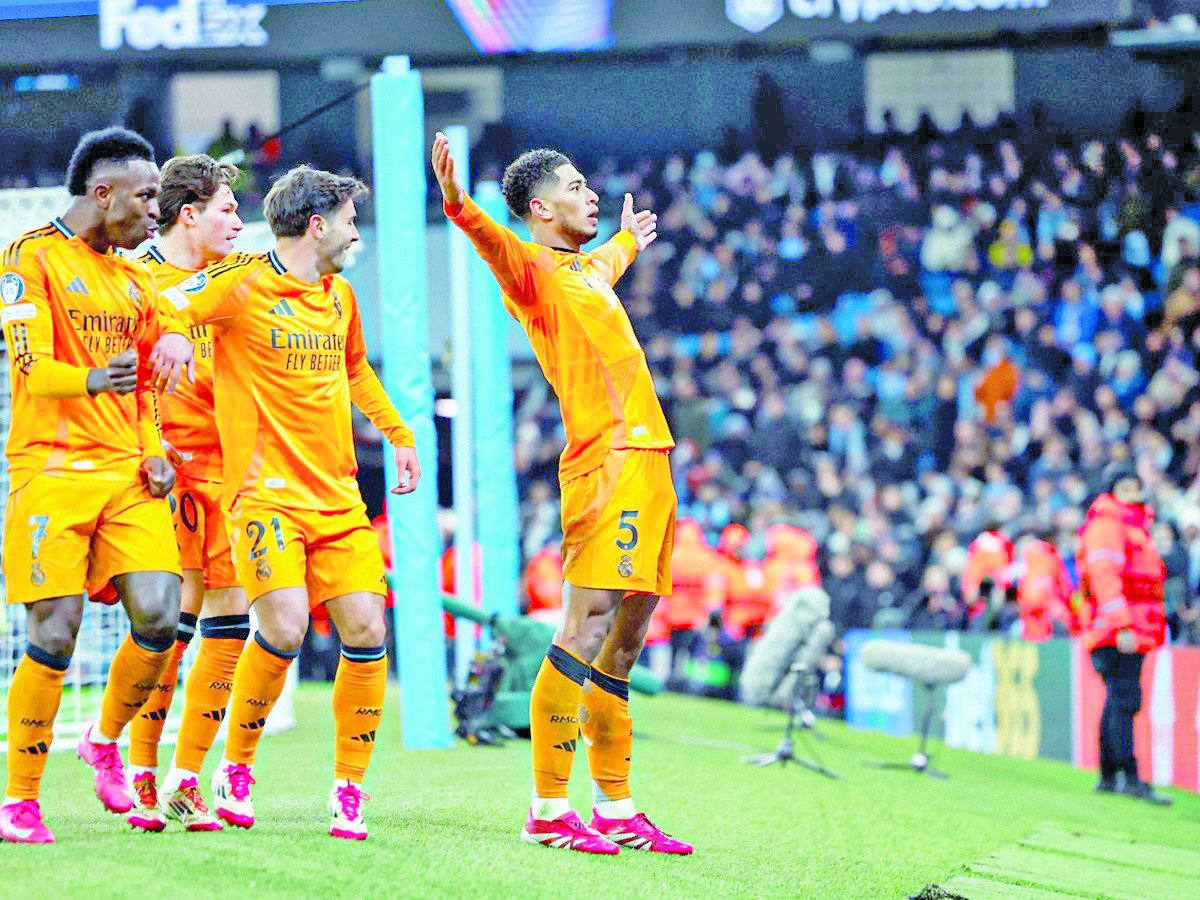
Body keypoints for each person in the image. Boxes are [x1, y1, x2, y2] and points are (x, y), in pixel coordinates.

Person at [434, 133, 692, 855]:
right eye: (577, 188)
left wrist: (629, 241)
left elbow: (604, 264)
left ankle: (615, 808)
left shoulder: (584, 270)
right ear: (542, 208)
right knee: (585, 627)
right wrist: (458, 203)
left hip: (649, 460)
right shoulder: (533, 270)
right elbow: (493, 242)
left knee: (626, 640)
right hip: (606, 463)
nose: (593, 195)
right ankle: (549, 809)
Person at [152, 165, 422, 840]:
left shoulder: (341, 298)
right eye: (351, 219)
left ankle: (349, 788)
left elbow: (356, 369)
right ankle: (234, 767)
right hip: (263, 496)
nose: (358, 230)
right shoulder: (240, 280)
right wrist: (180, 328)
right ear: (318, 224)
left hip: (337, 497)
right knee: (286, 625)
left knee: (366, 628)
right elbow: (164, 300)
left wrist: (398, 434)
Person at [0, 127, 193, 844]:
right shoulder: (29, 257)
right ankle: (19, 801)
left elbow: (146, 377)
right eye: (147, 196)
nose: (156, 212)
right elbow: (29, 368)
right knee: (55, 632)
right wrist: (91, 377)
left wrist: (155, 448)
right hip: (49, 473)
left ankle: (104, 737)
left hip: (126, 474)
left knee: (160, 615)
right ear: (102, 192)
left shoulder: (138, 278)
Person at [125, 154, 246, 833]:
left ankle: (186, 777)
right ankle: (141, 769)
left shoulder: (236, 282)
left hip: (229, 478)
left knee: (230, 628)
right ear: (190, 214)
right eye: (227, 209)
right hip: (162, 476)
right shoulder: (136, 280)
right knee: (169, 631)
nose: (238, 221)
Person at [1076, 467, 1171, 805]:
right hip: (1118, 631)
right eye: (1127, 487)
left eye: (1138, 487)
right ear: (1113, 491)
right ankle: (1129, 779)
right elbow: (1105, 578)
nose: (1136, 493)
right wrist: (1123, 626)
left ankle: (1108, 776)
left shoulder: (1131, 528)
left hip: (1124, 629)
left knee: (1117, 700)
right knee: (1125, 700)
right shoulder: (1109, 526)